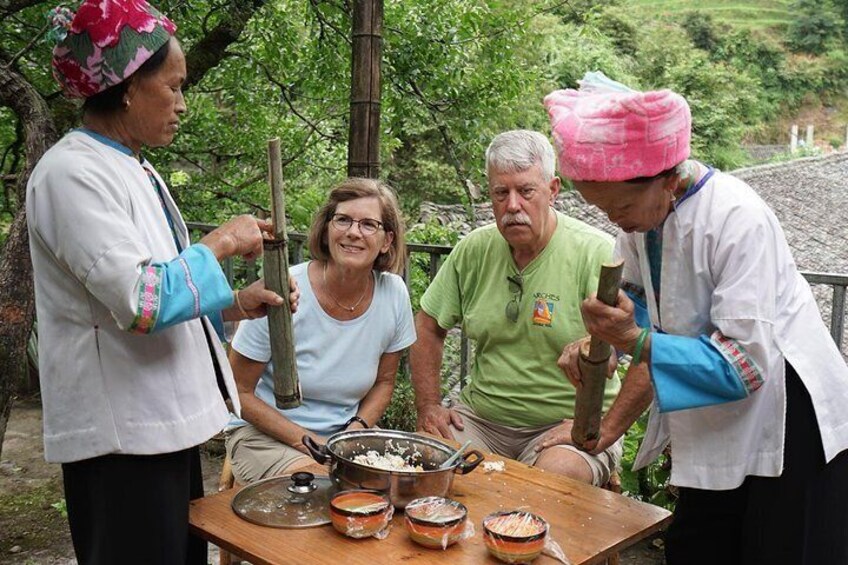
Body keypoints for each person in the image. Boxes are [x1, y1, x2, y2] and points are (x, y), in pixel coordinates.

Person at [27, 1, 295, 562]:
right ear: (127, 88)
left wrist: (234, 304)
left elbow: (153, 285)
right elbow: (142, 302)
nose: (182, 104)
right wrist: (220, 242)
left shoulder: (131, 164)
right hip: (120, 440)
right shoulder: (71, 172)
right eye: (173, 88)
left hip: (158, 431)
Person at [547, 72, 848, 564]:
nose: (613, 219)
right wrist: (598, 338)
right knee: (697, 548)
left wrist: (637, 341)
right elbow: (641, 305)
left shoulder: (735, 218)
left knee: (777, 551)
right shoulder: (642, 224)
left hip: (791, 416)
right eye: (601, 208)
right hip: (718, 413)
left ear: (666, 177)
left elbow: (745, 366)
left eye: (620, 205)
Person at [410, 130, 622, 486]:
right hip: (480, 420)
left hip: (565, 425)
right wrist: (429, 406)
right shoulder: (474, 249)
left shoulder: (597, 252)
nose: (512, 206)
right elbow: (428, 325)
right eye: (500, 193)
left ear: (552, 190)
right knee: (427, 462)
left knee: (551, 482)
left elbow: (622, 349)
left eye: (526, 191)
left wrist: (591, 350)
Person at [226, 178, 416, 483]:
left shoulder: (393, 294)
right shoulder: (283, 288)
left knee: (403, 484)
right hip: (267, 437)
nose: (353, 232)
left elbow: (384, 383)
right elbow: (236, 391)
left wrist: (355, 431)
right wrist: (310, 442)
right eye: (342, 220)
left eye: (369, 224)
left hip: (344, 439)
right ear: (326, 231)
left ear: (387, 241)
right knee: (324, 489)